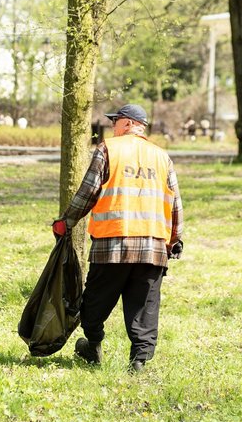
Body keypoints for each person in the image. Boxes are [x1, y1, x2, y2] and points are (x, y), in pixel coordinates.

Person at [52, 104, 184, 373]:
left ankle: (93, 343)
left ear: (127, 123)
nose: (113, 127)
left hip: (112, 245)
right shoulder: (162, 157)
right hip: (152, 247)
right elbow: (175, 203)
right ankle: (139, 361)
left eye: (116, 122)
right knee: (144, 307)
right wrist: (175, 239)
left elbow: (88, 192)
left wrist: (67, 221)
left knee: (94, 302)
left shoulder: (108, 149)